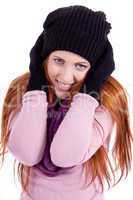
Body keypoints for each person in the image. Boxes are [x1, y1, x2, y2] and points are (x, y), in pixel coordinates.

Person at [0, 5, 133, 200]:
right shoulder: (25, 93)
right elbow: (26, 153)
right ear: (43, 58)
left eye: (80, 65)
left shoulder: (104, 104)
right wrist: (36, 84)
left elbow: (64, 156)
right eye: (58, 60)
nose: (65, 76)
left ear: (96, 69)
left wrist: (91, 90)